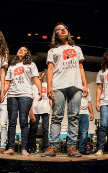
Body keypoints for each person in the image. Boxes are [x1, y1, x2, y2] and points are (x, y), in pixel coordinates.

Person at [43, 22, 88, 157]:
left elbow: (81, 67)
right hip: (58, 85)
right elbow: (50, 69)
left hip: (75, 85)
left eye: (65, 28)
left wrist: (85, 84)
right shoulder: (53, 51)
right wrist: (49, 86)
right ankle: (53, 147)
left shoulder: (77, 48)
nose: (63, 30)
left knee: (73, 117)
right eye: (59, 29)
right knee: (57, 116)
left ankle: (72, 148)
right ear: (55, 34)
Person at [3, 47, 42, 156]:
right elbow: (7, 82)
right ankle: (11, 147)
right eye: (19, 49)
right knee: (12, 122)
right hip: (12, 95)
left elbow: (35, 78)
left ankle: (24, 148)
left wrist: (40, 89)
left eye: (24, 50)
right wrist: (3, 93)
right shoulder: (11, 66)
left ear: (27, 53)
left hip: (25, 94)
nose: (21, 50)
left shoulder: (31, 65)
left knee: (24, 121)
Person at [28, 71, 52, 154]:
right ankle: (31, 148)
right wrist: (30, 111)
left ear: (44, 75)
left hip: (45, 110)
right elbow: (30, 99)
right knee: (33, 130)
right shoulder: (33, 87)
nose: (40, 75)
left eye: (42, 73)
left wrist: (52, 109)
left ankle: (45, 148)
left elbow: (50, 98)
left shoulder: (47, 85)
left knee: (45, 130)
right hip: (35, 110)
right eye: (39, 74)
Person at [78, 88, 94, 155]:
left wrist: (92, 113)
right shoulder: (75, 87)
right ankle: (71, 149)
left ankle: (82, 149)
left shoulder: (87, 89)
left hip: (85, 113)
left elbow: (89, 102)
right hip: (76, 112)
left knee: (84, 132)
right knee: (74, 131)